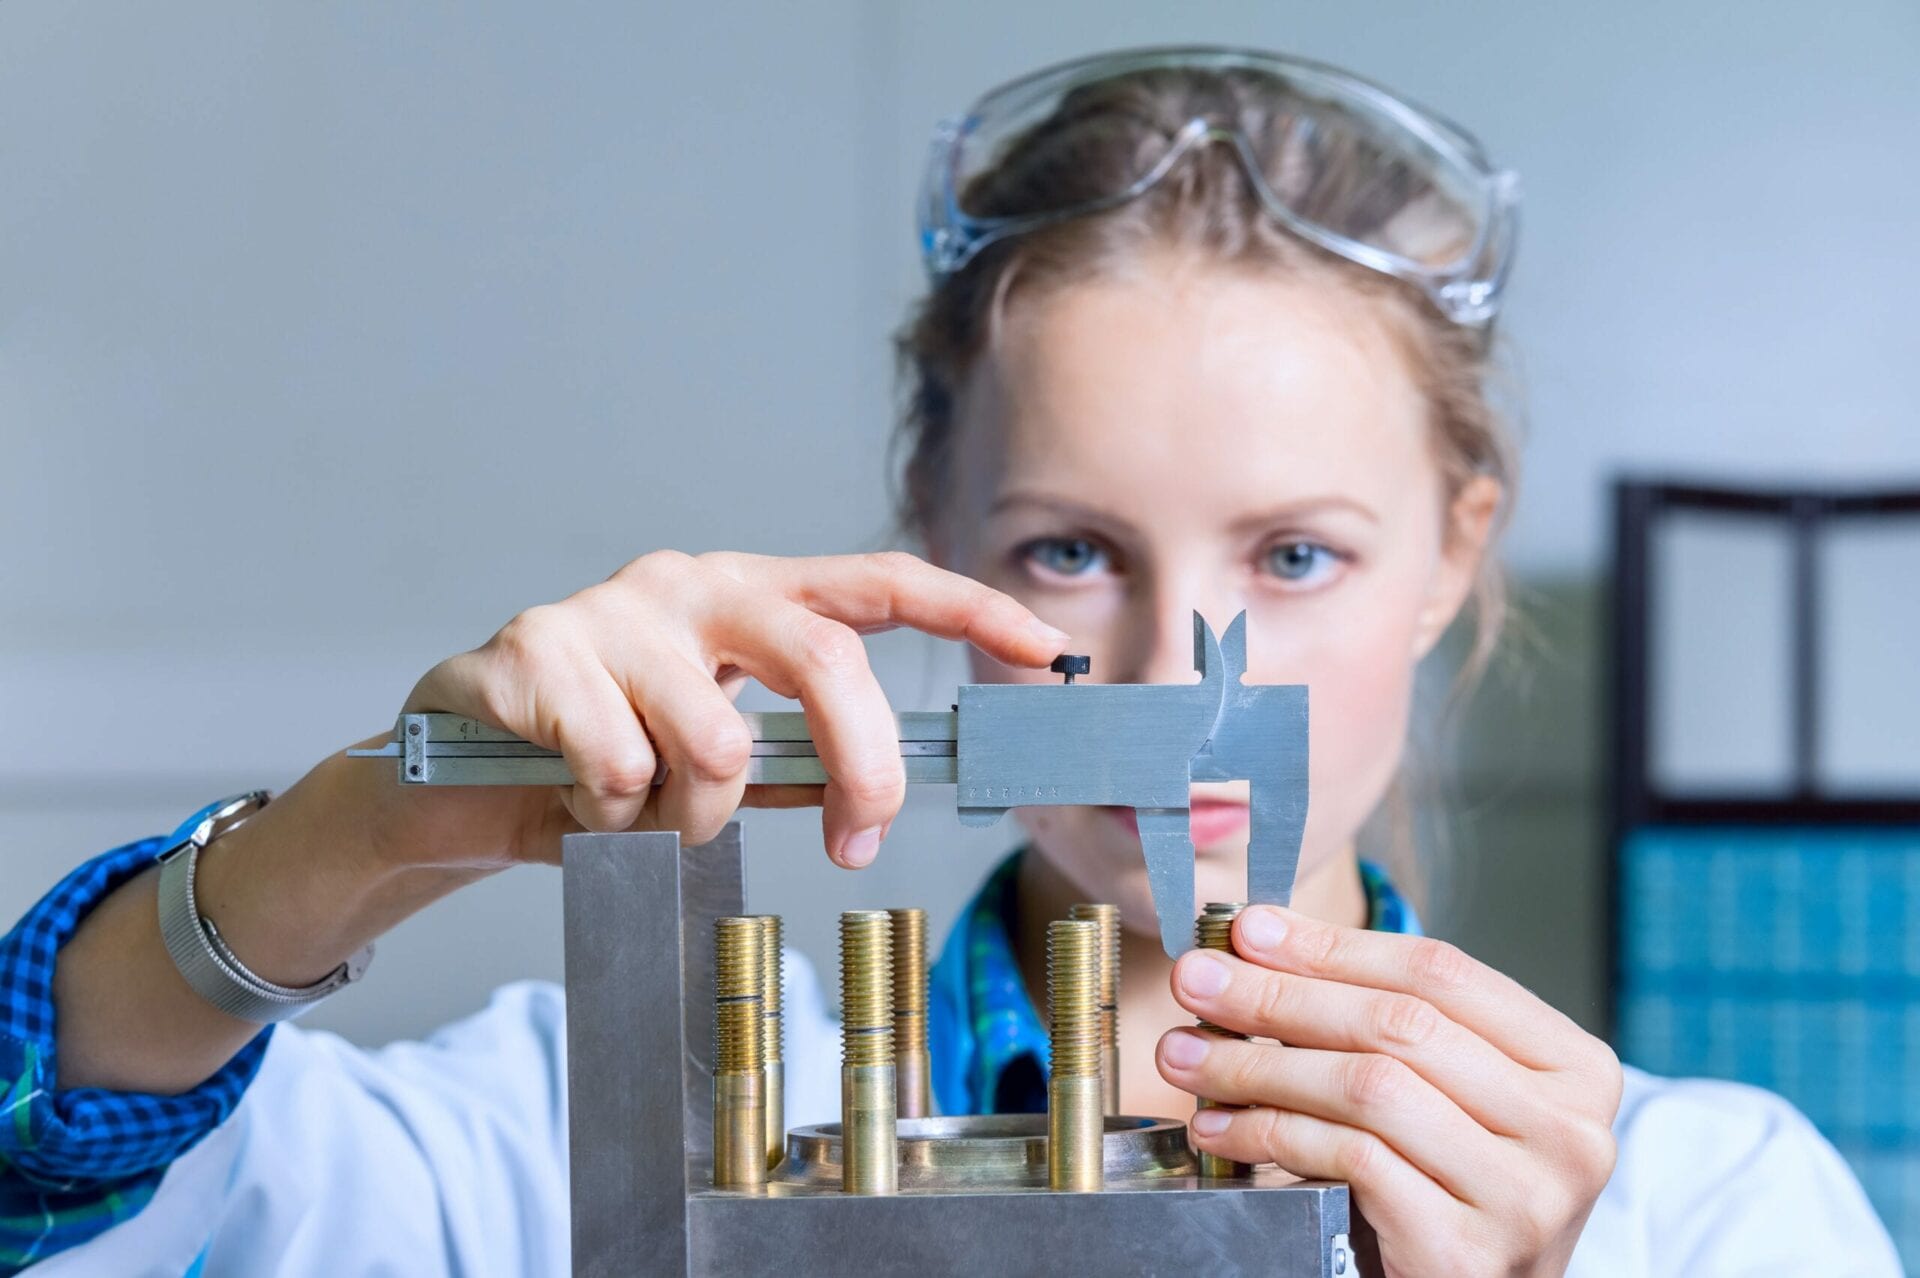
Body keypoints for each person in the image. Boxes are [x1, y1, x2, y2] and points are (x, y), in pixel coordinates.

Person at [2, 46, 1898, 1277]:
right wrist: (357, 828)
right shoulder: (571, 1136)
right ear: (930, 541)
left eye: (1296, 553)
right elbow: (48, 1196)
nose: (1179, 666)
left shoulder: (1698, 1211)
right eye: (1068, 551)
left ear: (1451, 558)